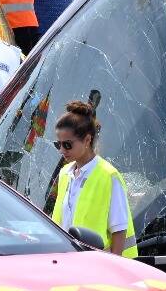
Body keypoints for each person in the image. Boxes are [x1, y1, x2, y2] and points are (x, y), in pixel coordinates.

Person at [49, 101, 134, 256]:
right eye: (58, 144)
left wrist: (114, 266)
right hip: (68, 260)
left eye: (67, 145)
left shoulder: (109, 176)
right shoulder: (65, 173)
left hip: (99, 264)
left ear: (87, 140)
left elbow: (120, 230)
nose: (61, 150)